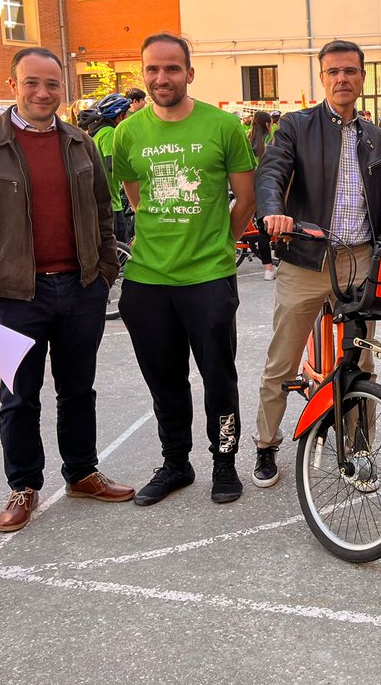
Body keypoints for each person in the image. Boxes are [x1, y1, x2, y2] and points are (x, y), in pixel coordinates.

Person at [0, 46, 131, 533]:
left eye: (52, 84)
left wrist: (104, 272)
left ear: (62, 89)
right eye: (33, 82)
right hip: (12, 296)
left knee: (77, 390)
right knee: (19, 396)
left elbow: (101, 211)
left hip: (80, 288)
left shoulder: (80, 143)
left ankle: (82, 473)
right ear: (14, 85)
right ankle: (24, 486)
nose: (43, 92)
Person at [254, 39, 381, 488]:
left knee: (361, 362)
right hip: (305, 258)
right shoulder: (296, 126)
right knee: (282, 360)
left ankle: (359, 449)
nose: (343, 79)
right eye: (333, 71)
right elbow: (271, 172)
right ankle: (266, 445)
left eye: (351, 71)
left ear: (363, 78)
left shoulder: (374, 135)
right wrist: (271, 211)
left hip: (360, 260)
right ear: (322, 78)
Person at [113, 33, 256, 506]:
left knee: (219, 376)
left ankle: (224, 461)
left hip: (208, 279)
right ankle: (176, 462)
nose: (161, 78)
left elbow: (247, 199)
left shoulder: (222, 127)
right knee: (164, 379)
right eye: (152, 69)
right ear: (143, 74)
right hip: (147, 281)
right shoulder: (128, 132)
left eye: (172, 69)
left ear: (189, 73)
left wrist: (221, 242)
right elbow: (137, 198)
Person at [86, 93, 134, 243]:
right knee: (119, 242)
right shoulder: (109, 133)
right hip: (110, 199)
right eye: (126, 115)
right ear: (120, 117)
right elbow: (112, 164)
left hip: (103, 195)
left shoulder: (97, 132)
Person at [247, 110, 278, 281]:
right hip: (269, 189)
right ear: (268, 124)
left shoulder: (247, 140)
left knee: (262, 229)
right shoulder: (271, 141)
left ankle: (268, 268)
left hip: (251, 189)